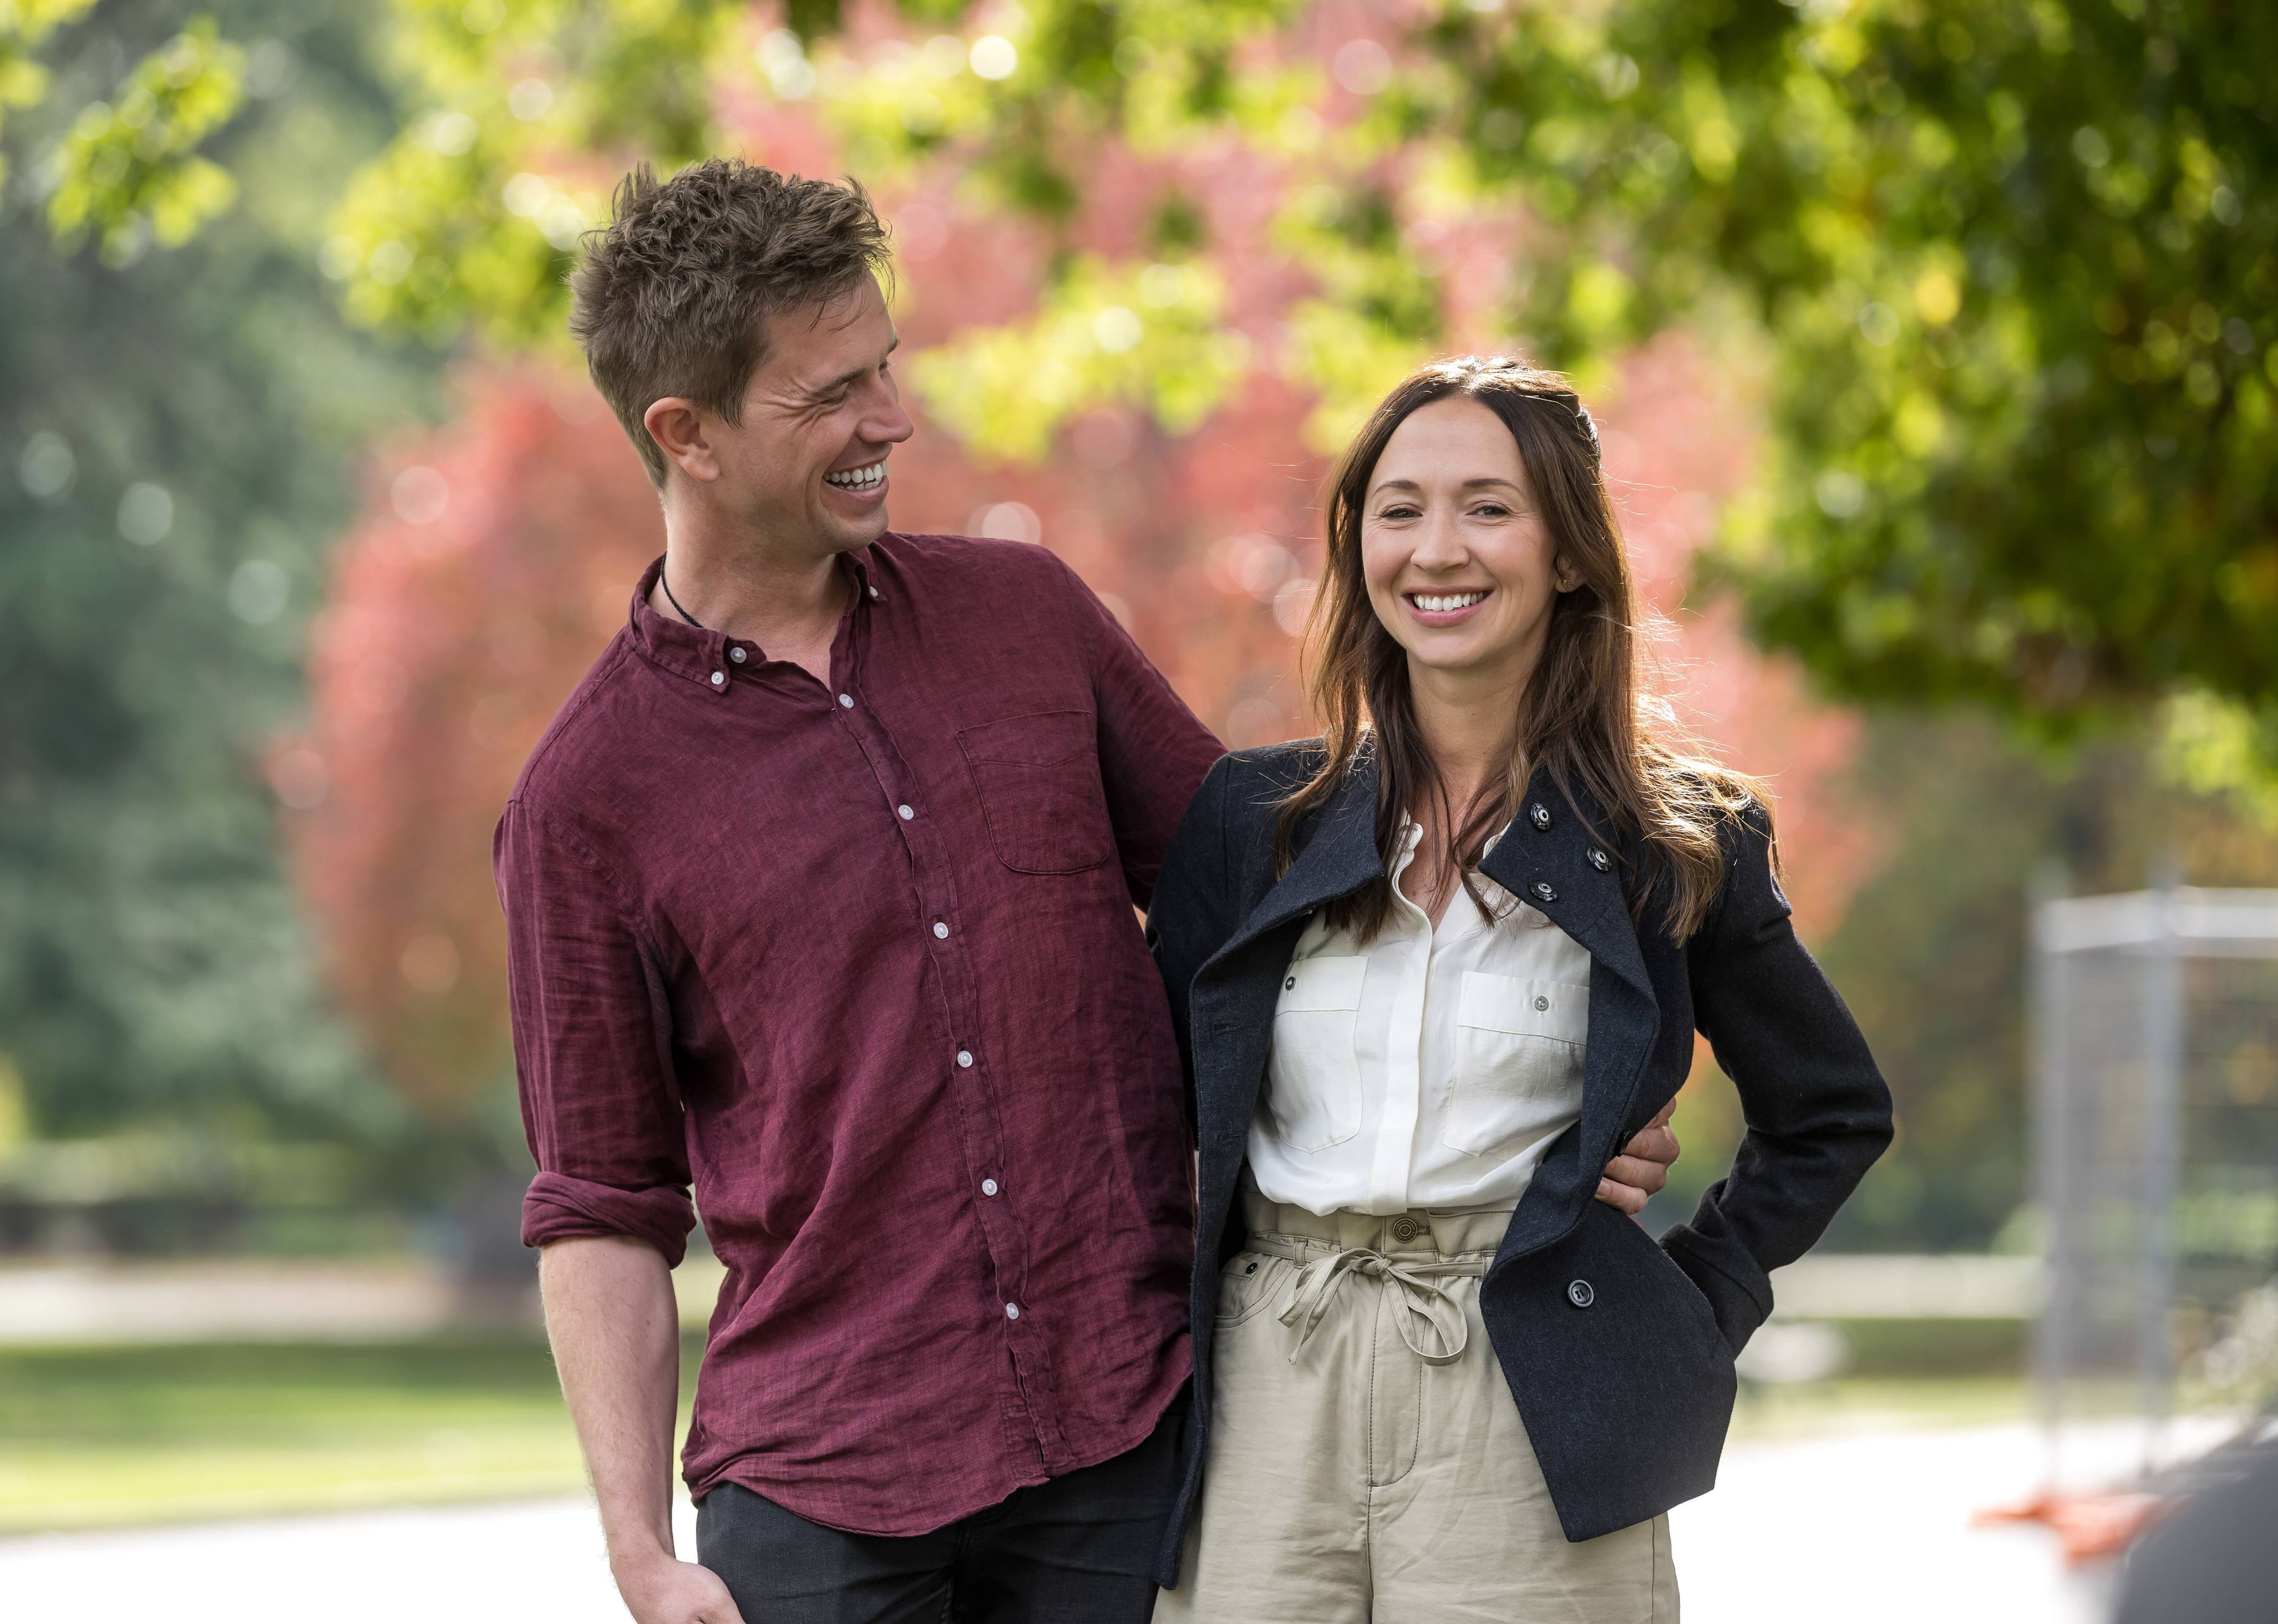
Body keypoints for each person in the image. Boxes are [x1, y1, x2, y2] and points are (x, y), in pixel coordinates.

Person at [497, 161, 1682, 1624]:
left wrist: (1575, 1078)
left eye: (887, 366)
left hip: (1126, 1439)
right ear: (688, 434)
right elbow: (603, 1203)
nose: (892, 419)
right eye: (831, 396)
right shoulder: (585, 798)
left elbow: (1289, 889)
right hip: (818, 1487)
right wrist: (638, 1547)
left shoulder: (1026, 618)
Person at [1144, 357, 1896, 1621]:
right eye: (1400, 509)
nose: (1439, 549)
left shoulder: (1674, 839)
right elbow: (1147, 1110)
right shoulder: (1254, 820)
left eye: (1488, 506)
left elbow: (1828, 1112)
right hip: (1269, 1391)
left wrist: (1689, 1308)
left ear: (1568, 554)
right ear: (1359, 546)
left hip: (1528, 1389)